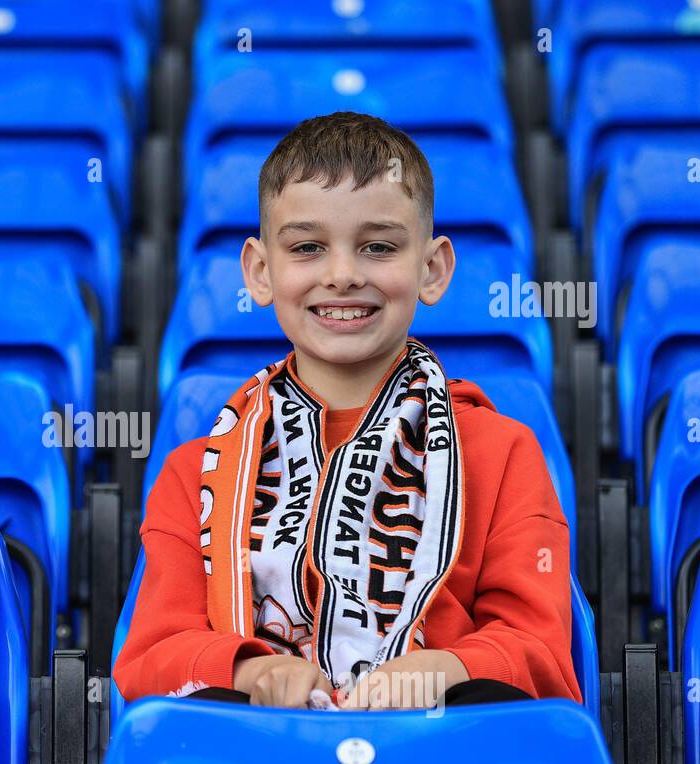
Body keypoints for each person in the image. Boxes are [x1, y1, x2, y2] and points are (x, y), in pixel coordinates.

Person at [114, 112, 581, 713]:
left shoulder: (502, 453)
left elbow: (541, 653)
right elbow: (152, 662)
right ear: (260, 272)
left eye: (378, 247)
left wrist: (446, 668)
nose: (342, 275)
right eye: (307, 247)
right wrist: (251, 673)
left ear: (432, 269)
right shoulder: (193, 475)